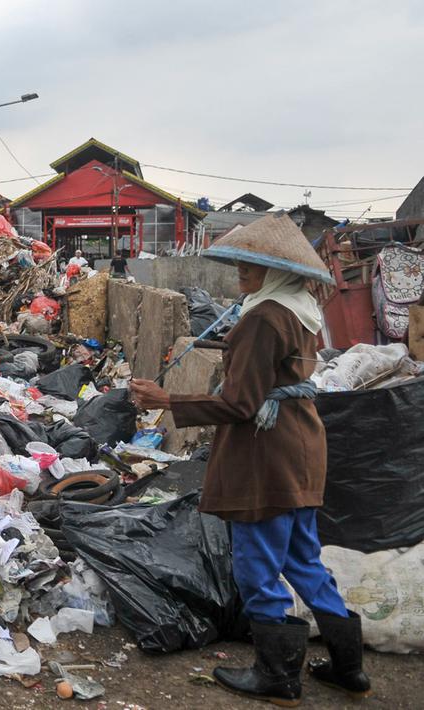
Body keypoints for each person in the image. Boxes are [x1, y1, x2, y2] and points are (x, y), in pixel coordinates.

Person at [129, 213, 368, 707]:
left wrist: (166, 400)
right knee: (303, 559)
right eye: (239, 263)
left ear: (275, 270)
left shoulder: (263, 318)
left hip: (266, 457)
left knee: (257, 566)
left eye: (249, 265)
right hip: (301, 448)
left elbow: (241, 403)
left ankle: (278, 677)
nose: (240, 271)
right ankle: (349, 669)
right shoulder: (302, 311)